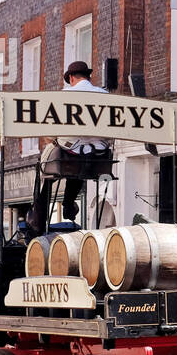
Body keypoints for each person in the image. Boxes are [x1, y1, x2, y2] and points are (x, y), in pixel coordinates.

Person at [26, 61, 111, 234]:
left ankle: (39, 214)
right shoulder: (104, 94)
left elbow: (51, 132)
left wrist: (53, 139)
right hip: (98, 153)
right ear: (88, 76)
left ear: (71, 78)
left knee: (46, 166)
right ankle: (68, 202)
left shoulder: (64, 95)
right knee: (80, 165)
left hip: (69, 151)